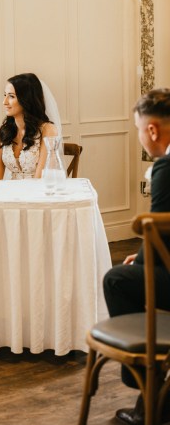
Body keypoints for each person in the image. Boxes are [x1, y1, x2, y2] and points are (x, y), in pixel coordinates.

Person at [103, 88, 170, 425]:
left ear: (153, 130)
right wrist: (144, 257)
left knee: (116, 279)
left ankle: (145, 375)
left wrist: (141, 262)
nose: (141, 137)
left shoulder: (167, 167)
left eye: (138, 130)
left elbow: (158, 229)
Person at [0, 73, 60, 179]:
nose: (4, 102)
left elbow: (40, 179)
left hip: (37, 193)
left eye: (11, 96)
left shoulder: (48, 130)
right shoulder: (2, 132)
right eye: (5, 95)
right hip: (9, 193)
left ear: (26, 99)